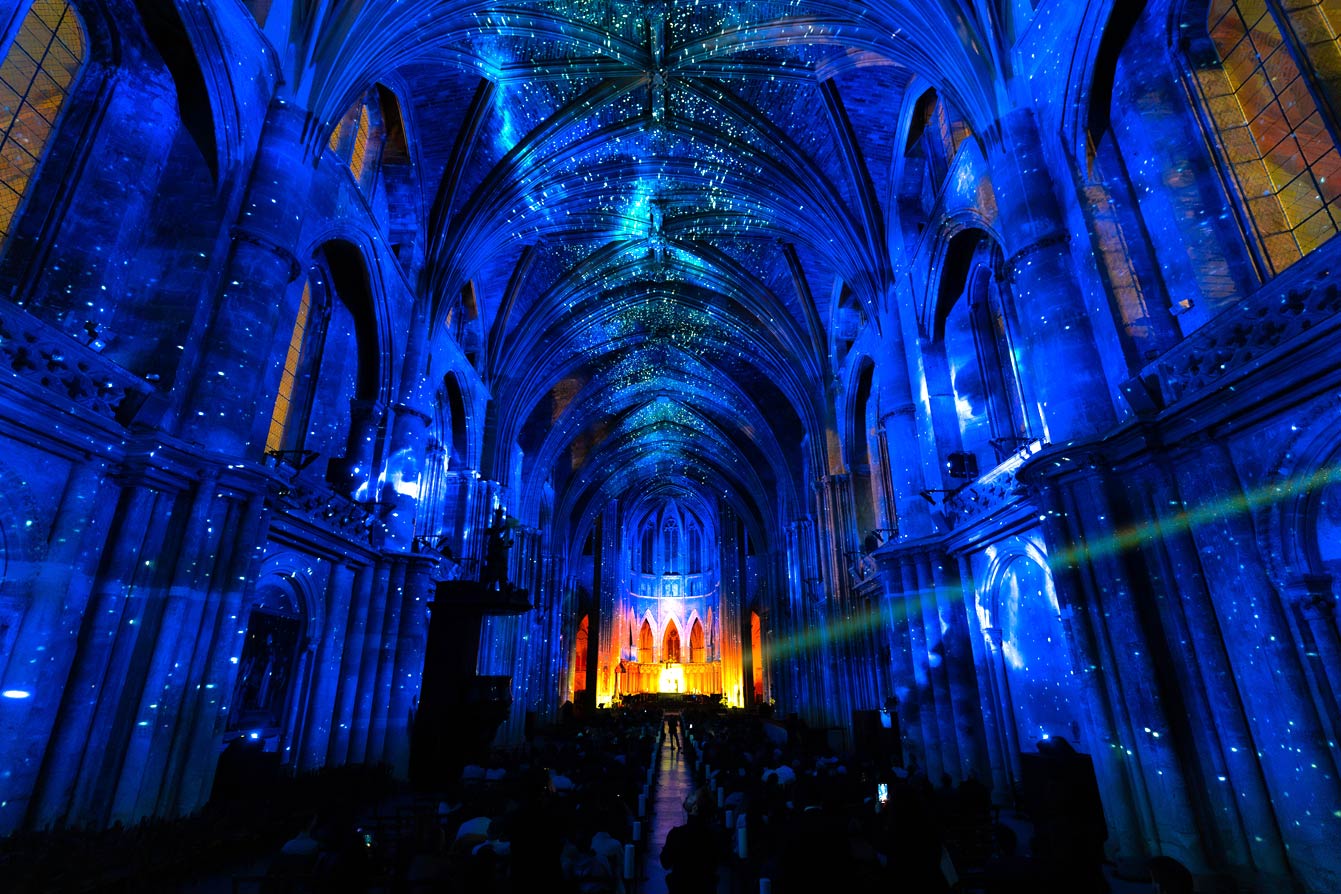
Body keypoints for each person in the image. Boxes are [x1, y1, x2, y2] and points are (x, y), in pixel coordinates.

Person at [660, 788, 720, 893]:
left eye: (693, 796)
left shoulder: (677, 834)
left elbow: (665, 863)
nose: (688, 795)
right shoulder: (713, 835)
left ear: (695, 808)